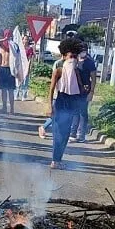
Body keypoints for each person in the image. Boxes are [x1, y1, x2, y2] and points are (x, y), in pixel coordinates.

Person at [46, 38, 85, 169]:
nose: (73, 59)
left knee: (66, 133)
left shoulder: (77, 71)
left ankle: (59, 159)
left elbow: (80, 89)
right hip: (61, 101)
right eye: (70, 56)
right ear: (63, 56)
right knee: (58, 132)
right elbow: (51, 89)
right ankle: (55, 160)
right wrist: (49, 106)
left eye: (75, 56)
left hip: (72, 103)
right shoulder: (58, 70)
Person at [70, 42, 97, 143]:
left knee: (83, 112)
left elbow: (93, 79)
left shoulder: (89, 62)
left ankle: (81, 135)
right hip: (75, 90)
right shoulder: (75, 61)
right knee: (75, 111)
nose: (83, 52)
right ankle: (73, 133)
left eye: (84, 50)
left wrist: (91, 92)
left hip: (85, 90)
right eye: (81, 50)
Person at [0, 29, 16, 114]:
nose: (7, 35)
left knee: (10, 90)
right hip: (2, 68)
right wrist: (4, 39)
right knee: (3, 90)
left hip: (10, 69)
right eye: (6, 34)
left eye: (9, 34)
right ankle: (4, 107)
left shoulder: (13, 45)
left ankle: (12, 109)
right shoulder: (1, 44)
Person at [16, 35, 35, 101]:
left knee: (25, 82)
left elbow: (30, 59)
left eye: (27, 39)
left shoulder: (29, 49)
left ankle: (24, 96)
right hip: (19, 66)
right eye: (24, 39)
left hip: (26, 66)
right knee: (18, 81)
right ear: (22, 40)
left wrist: (29, 68)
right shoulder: (19, 48)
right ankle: (16, 94)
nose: (25, 41)